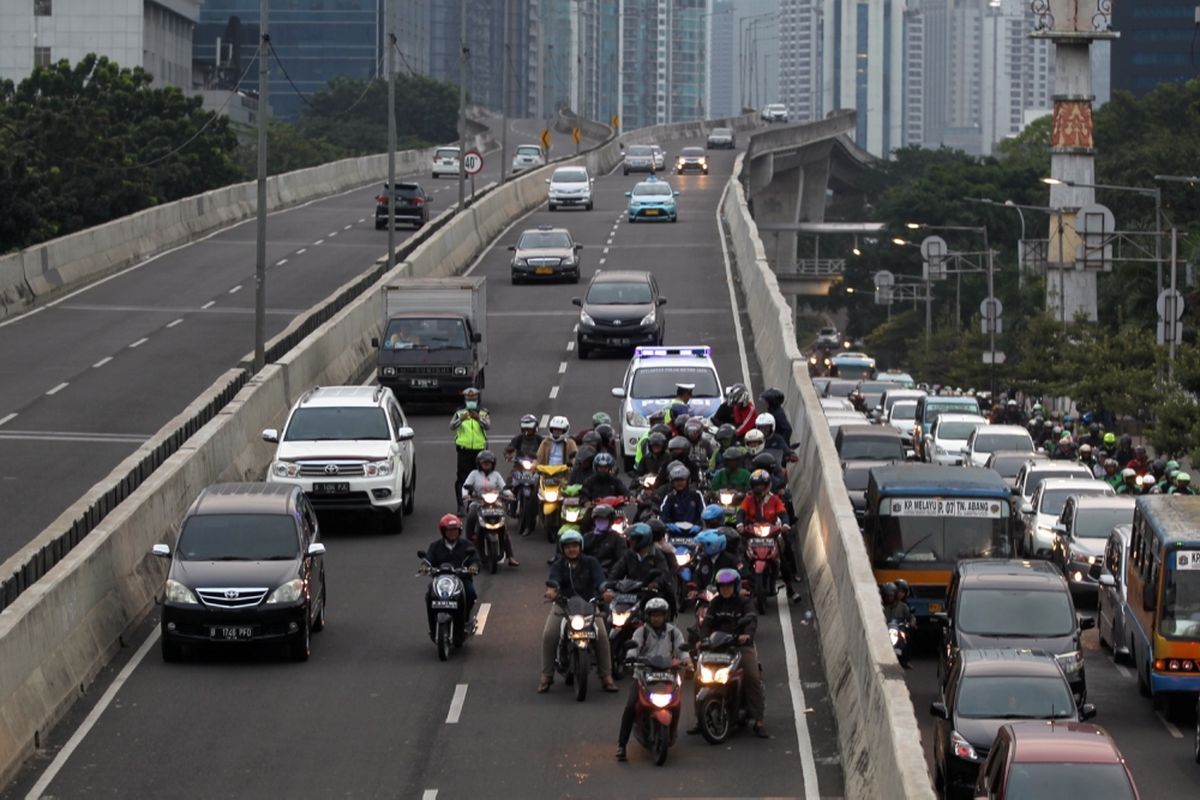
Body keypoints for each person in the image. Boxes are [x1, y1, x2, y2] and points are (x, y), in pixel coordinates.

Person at [692, 568, 768, 738]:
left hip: (740, 646)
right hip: (717, 647)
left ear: (735, 586)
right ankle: (699, 719)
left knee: (752, 677)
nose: (726, 589)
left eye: (729, 586)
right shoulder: (715, 603)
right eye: (722, 586)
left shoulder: (744, 602)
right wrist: (702, 640)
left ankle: (759, 720)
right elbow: (706, 625)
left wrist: (746, 635)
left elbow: (751, 620)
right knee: (698, 676)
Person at [540, 530, 617, 693]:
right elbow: (553, 579)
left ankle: (606, 676)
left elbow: (600, 580)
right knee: (549, 634)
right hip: (564, 606)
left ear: (580, 546)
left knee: (602, 636)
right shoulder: (558, 564)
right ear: (563, 549)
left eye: (575, 546)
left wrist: (605, 592)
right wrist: (552, 590)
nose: (572, 549)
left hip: (589, 606)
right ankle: (547, 676)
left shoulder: (591, 562)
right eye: (568, 546)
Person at [616, 597, 690, 761]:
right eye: (653, 615)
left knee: (676, 702)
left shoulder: (673, 632)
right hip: (643, 674)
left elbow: (681, 649)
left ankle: (672, 732)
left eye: (660, 615)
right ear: (647, 616)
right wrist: (630, 657)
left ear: (666, 616)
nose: (656, 618)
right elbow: (634, 647)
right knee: (630, 706)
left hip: (668, 674)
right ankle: (622, 745)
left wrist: (686, 660)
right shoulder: (641, 632)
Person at [737, 469, 797, 601]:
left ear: (767, 485)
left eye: (761, 485)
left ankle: (790, 589)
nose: (759, 489)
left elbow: (783, 514)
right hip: (752, 534)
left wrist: (785, 525)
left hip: (771, 534)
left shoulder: (774, 499)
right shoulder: (748, 499)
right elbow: (740, 513)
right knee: (741, 556)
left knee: (782, 557)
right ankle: (742, 586)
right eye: (756, 486)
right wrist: (740, 525)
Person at [459, 449, 519, 566]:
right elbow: (465, 486)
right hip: (478, 502)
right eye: (484, 463)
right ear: (479, 464)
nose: (486, 465)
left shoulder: (496, 475)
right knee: (471, 515)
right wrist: (465, 495)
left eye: (489, 463)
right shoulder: (474, 474)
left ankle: (511, 556)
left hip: (495, 503)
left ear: (493, 464)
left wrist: (510, 495)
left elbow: (504, 488)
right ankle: (469, 548)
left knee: (503, 527)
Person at [423, 514, 480, 638]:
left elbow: (475, 559)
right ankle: (433, 626)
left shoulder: (466, 545)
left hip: (461, 579)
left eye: (455, 530)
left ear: (459, 530)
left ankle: (465, 620)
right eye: (449, 530)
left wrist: (474, 567)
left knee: (470, 592)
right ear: (443, 531)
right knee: (429, 596)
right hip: (440, 581)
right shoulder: (435, 546)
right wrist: (424, 566)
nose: (452, 533)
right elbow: (428, 559)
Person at [450, 387, 491, 509]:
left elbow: (488, 426)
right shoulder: (459, 412)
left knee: (479, 478)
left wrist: (478, 419)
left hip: (479, 451)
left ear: (477, 399)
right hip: (464, 450)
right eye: (469, 399)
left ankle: (472, 504)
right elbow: (452, 426)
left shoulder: (483, 413)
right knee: (462, 479)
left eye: (473, 399)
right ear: (465, 399)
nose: (471, 401)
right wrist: (461, 420)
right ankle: (461, 505)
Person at [584, 505, 627, 571]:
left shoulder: (618, 539)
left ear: (610, 521)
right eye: (598, 519)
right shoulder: (587, 537)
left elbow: (621, 561)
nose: (600, 522)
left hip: (607, 573)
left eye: (604, 520)